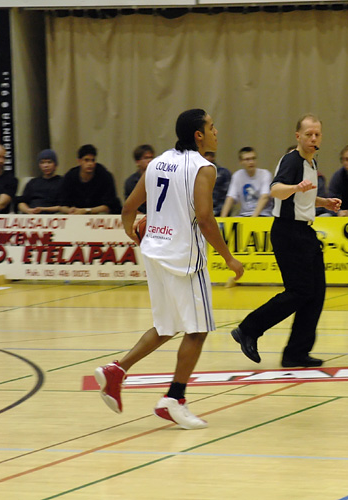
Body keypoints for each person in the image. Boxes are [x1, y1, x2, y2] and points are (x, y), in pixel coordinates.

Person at [94, 109, 244, 430]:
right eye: (212, 127)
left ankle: (116, 370)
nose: (216, 131)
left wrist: (133, 233)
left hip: (154, 254)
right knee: (197, 330)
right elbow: (205, 219)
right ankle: (174, 400)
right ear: (199, 135)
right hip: (183, 259)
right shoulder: (204, 168)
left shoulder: (158, 162)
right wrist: (229, 258)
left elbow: (129, 208)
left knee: (166, 326)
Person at [230, 114, 341, 368]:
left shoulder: (311, 163)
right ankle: (248, 329)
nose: (313, 138)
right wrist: (295, 188)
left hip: (305, 232)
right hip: (288, 233)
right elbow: (276, 189)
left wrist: (324, 202)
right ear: (298, 136)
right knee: (299, 292)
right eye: (309, 134)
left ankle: (296, 352)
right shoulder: (292, 160)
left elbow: (303, 197)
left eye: (317, 134)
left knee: (315, 294)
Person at [59, 144, 122, 215]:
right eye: (86, 160)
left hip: (99, 213)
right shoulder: (70, 176)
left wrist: (86, 211)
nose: (90, 164)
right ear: (79, 161)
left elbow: (109, 206)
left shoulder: (105, 175)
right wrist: (70, 210)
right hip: (77, 213)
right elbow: (62, 205)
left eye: (93, 160)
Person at [220, 147, 273, 217]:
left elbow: (264, 197)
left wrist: (252, 218)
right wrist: (222, 219)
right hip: (245, 215)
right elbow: (230, 198)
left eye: (253, 158)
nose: (251, 162)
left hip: (263, 214)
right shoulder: (237, 175)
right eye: (247, 159)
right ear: (241, 162)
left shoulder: (265, 174)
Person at [17, 149, 63, 214]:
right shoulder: (33, 182)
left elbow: (63, 206)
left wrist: (42, 209)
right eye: (42, 162)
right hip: (31, 215)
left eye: (49, 162)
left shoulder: (62, 182)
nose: (45, 166)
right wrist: (28, 210)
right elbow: (21, 202)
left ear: (55, 165)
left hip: (52, 216)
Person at [124, 144, 155, 214]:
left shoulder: (159, 178)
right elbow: (130, 206)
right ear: (137, 162)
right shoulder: (130, 182)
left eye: (151, 157)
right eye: (146, 158)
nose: (150, 160)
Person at [203, 150, 232, 216]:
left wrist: (215, 212)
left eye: (210, 155)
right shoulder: (196, 173)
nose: (207, 158)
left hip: (220, 213)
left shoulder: (224, 173)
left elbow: (228, 198)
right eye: (206, 155)